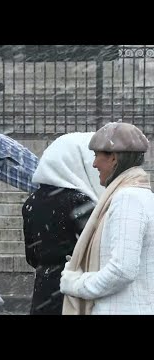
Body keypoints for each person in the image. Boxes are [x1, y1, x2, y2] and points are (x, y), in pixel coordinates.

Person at [60, 121, 154, 315]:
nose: (94, 164)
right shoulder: (139, 195)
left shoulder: (128, 198)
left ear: (113, 158)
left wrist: (76, 284)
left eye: (96, 155)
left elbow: (122, 270)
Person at [22, 132, 104, 315]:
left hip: (43, 289)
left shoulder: (31, 201)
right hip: (74, 289)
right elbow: (96, 252)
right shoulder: (80, 202)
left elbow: (32, 256)